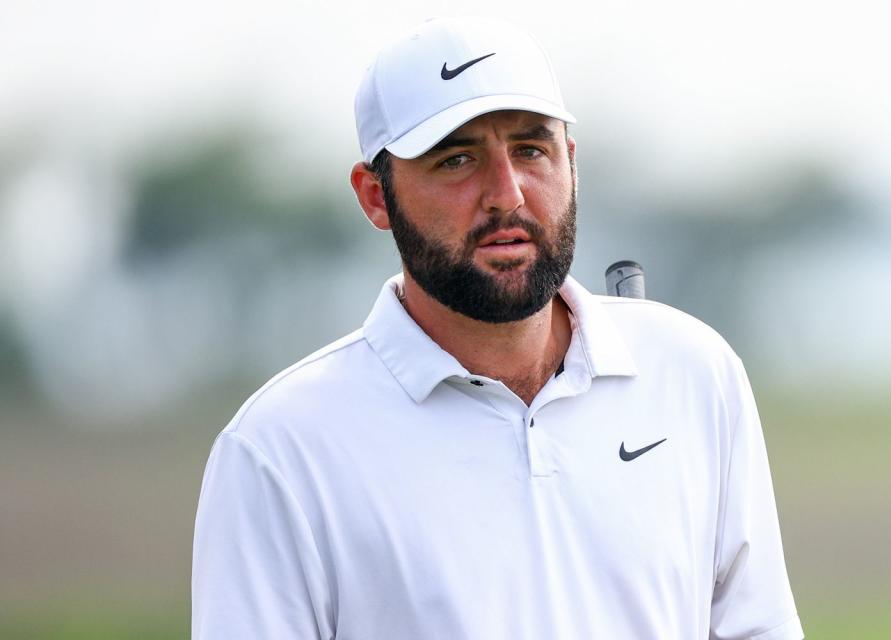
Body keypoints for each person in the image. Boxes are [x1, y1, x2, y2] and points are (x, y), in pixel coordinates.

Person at [192, 16, 803, 640]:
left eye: (530, 150)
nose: (506, 194)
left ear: (570, 162)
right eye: (457, 159)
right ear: (376, 196)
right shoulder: (280, 449)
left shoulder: (693, 370)